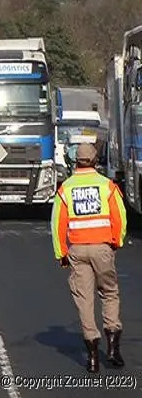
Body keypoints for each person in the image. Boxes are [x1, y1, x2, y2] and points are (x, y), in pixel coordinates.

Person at [51, 142, 127, 373]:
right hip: (102, 247)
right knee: (109, 293)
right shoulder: (107, 186)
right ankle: (112, 348)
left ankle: (92, 357)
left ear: (76, 162)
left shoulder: (66, 189)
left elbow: (57, 224)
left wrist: (61, 253)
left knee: (84, 299)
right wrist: (117, 241)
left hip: (77, 250)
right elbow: (119, 217)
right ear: (95, 161)